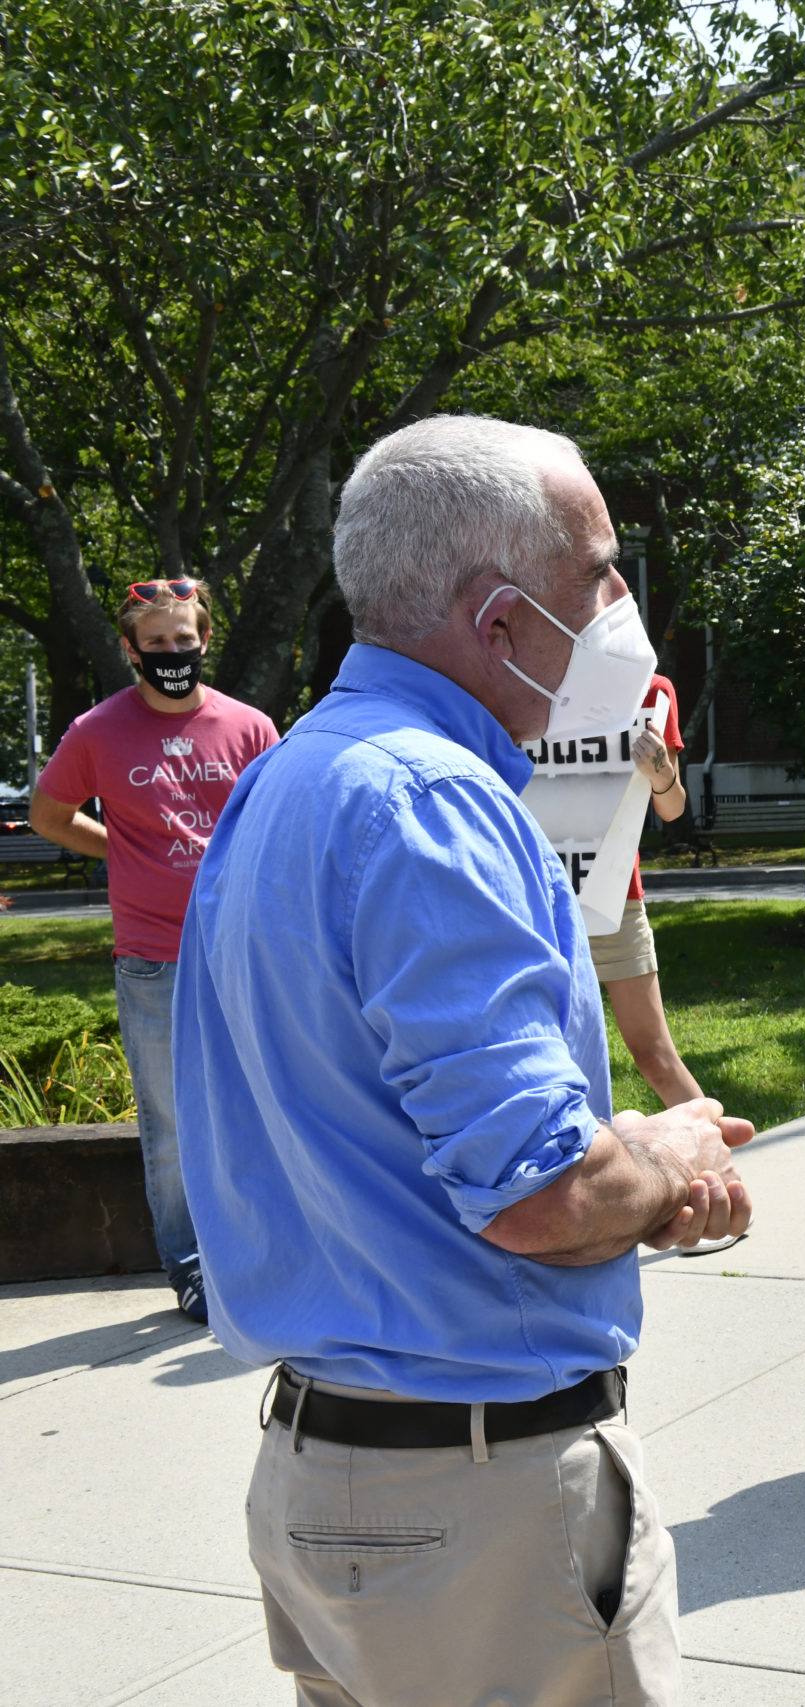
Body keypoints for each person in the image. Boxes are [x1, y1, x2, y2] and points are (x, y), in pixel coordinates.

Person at [174, 415, 755, 1706]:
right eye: (601, 570)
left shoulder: (295, 774)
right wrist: (666, 1160)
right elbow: (540, 1190)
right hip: (481, 1507)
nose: (622, 602)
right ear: (500, 623)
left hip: (341, 1479)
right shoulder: (437, 800)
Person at [33, 577, 278, 1321]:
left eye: (184, 639)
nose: (173, 652)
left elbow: (277, 820)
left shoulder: (251, 727)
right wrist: (122, 850)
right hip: (153, 955)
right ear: (131, 648)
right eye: (158, 642)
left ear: (204, 640)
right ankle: (194, 1266)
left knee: (261, 1106)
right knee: (171, 1122)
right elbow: (50, 813)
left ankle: (267, 1251)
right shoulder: (97, 731)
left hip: (238, 948)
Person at [589, 672, 703, 1107]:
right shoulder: (524, 676)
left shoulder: (651, 689)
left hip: (616, 894)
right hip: (535, 895)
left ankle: (721, 1169)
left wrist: (658, 768)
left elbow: (672, 809)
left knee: (655, 1055)